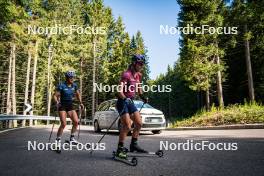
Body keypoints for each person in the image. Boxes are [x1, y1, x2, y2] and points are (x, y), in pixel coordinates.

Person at [116, 54, 149, 158]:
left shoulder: (138, 75)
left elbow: (139, 89)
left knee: (139, 123)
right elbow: (119, 91)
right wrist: (125, 98)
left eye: (143, 64)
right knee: (127, 126)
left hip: (131, 102)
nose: (141, 65)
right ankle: (119, 149)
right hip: (122, 102)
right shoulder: (126, 74)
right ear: (134, 63)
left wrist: (143, 96)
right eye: (140, 63)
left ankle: (133, 145)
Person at [53, 70, 84, 145]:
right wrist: (57, 102)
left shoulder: (74, 85)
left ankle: (72, 139)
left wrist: (80, 103)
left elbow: (77, 94)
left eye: (73, 77)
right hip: (62, 105)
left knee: (76, 122)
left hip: (70, 105)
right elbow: (55, 95)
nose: (72, 79)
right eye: (70, 77)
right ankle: (58, 139)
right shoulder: (62, 85)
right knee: (63, 123)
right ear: (67, 78)